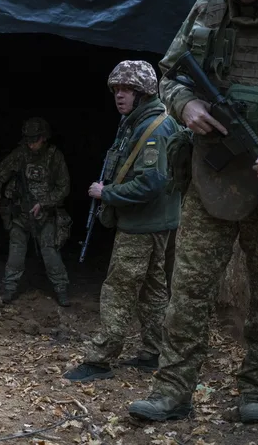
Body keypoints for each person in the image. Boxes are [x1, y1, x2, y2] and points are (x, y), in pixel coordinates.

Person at [129, 0, 258, 423]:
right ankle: (172, 389)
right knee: (187, 290)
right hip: (211, 175)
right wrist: (185, 105)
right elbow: (168, 75)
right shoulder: (207, 8)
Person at [63, 60, 181, 382]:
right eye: (116, 89)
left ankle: (100, 360)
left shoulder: (153, 128)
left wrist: (108, 193)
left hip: (142, 225)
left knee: (119, 289)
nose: (119, 95)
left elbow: (151, 183)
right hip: (154, 223)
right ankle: (153, 353)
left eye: (128, 89)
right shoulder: (139, 122)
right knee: (153, 290)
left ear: (144, 93)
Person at [0, 118, 71, 307]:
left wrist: (44, 203)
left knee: (49, 252)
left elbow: (63, 187)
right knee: (16, 251)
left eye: (36, 140)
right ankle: (9, 289)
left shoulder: (54, 157)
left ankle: (61, 289)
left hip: (45, 216)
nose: (32, 144)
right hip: (20, 215)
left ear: (44, 138)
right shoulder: (20, 154)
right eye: (29, 140)